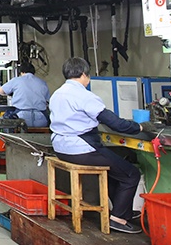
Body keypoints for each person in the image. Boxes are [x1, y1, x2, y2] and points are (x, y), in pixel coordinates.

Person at [49, 57, 155, 234]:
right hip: (81, 149)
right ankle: (118, 219)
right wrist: (141, 127)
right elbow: (116, 124)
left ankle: (123, 210)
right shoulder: (85, 96)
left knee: (114, 169)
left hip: (61, 149)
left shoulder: (57, 94)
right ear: (84, 74)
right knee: (131, 174)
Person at [0, 60, 50, 127]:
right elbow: (47, 101)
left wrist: (11, 94)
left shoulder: (16, 80)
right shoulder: (42, 82)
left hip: (22, 117)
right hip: (41, 119)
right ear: (33, 72)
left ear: (21, 72)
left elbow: (0, 91)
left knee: (7, 119)